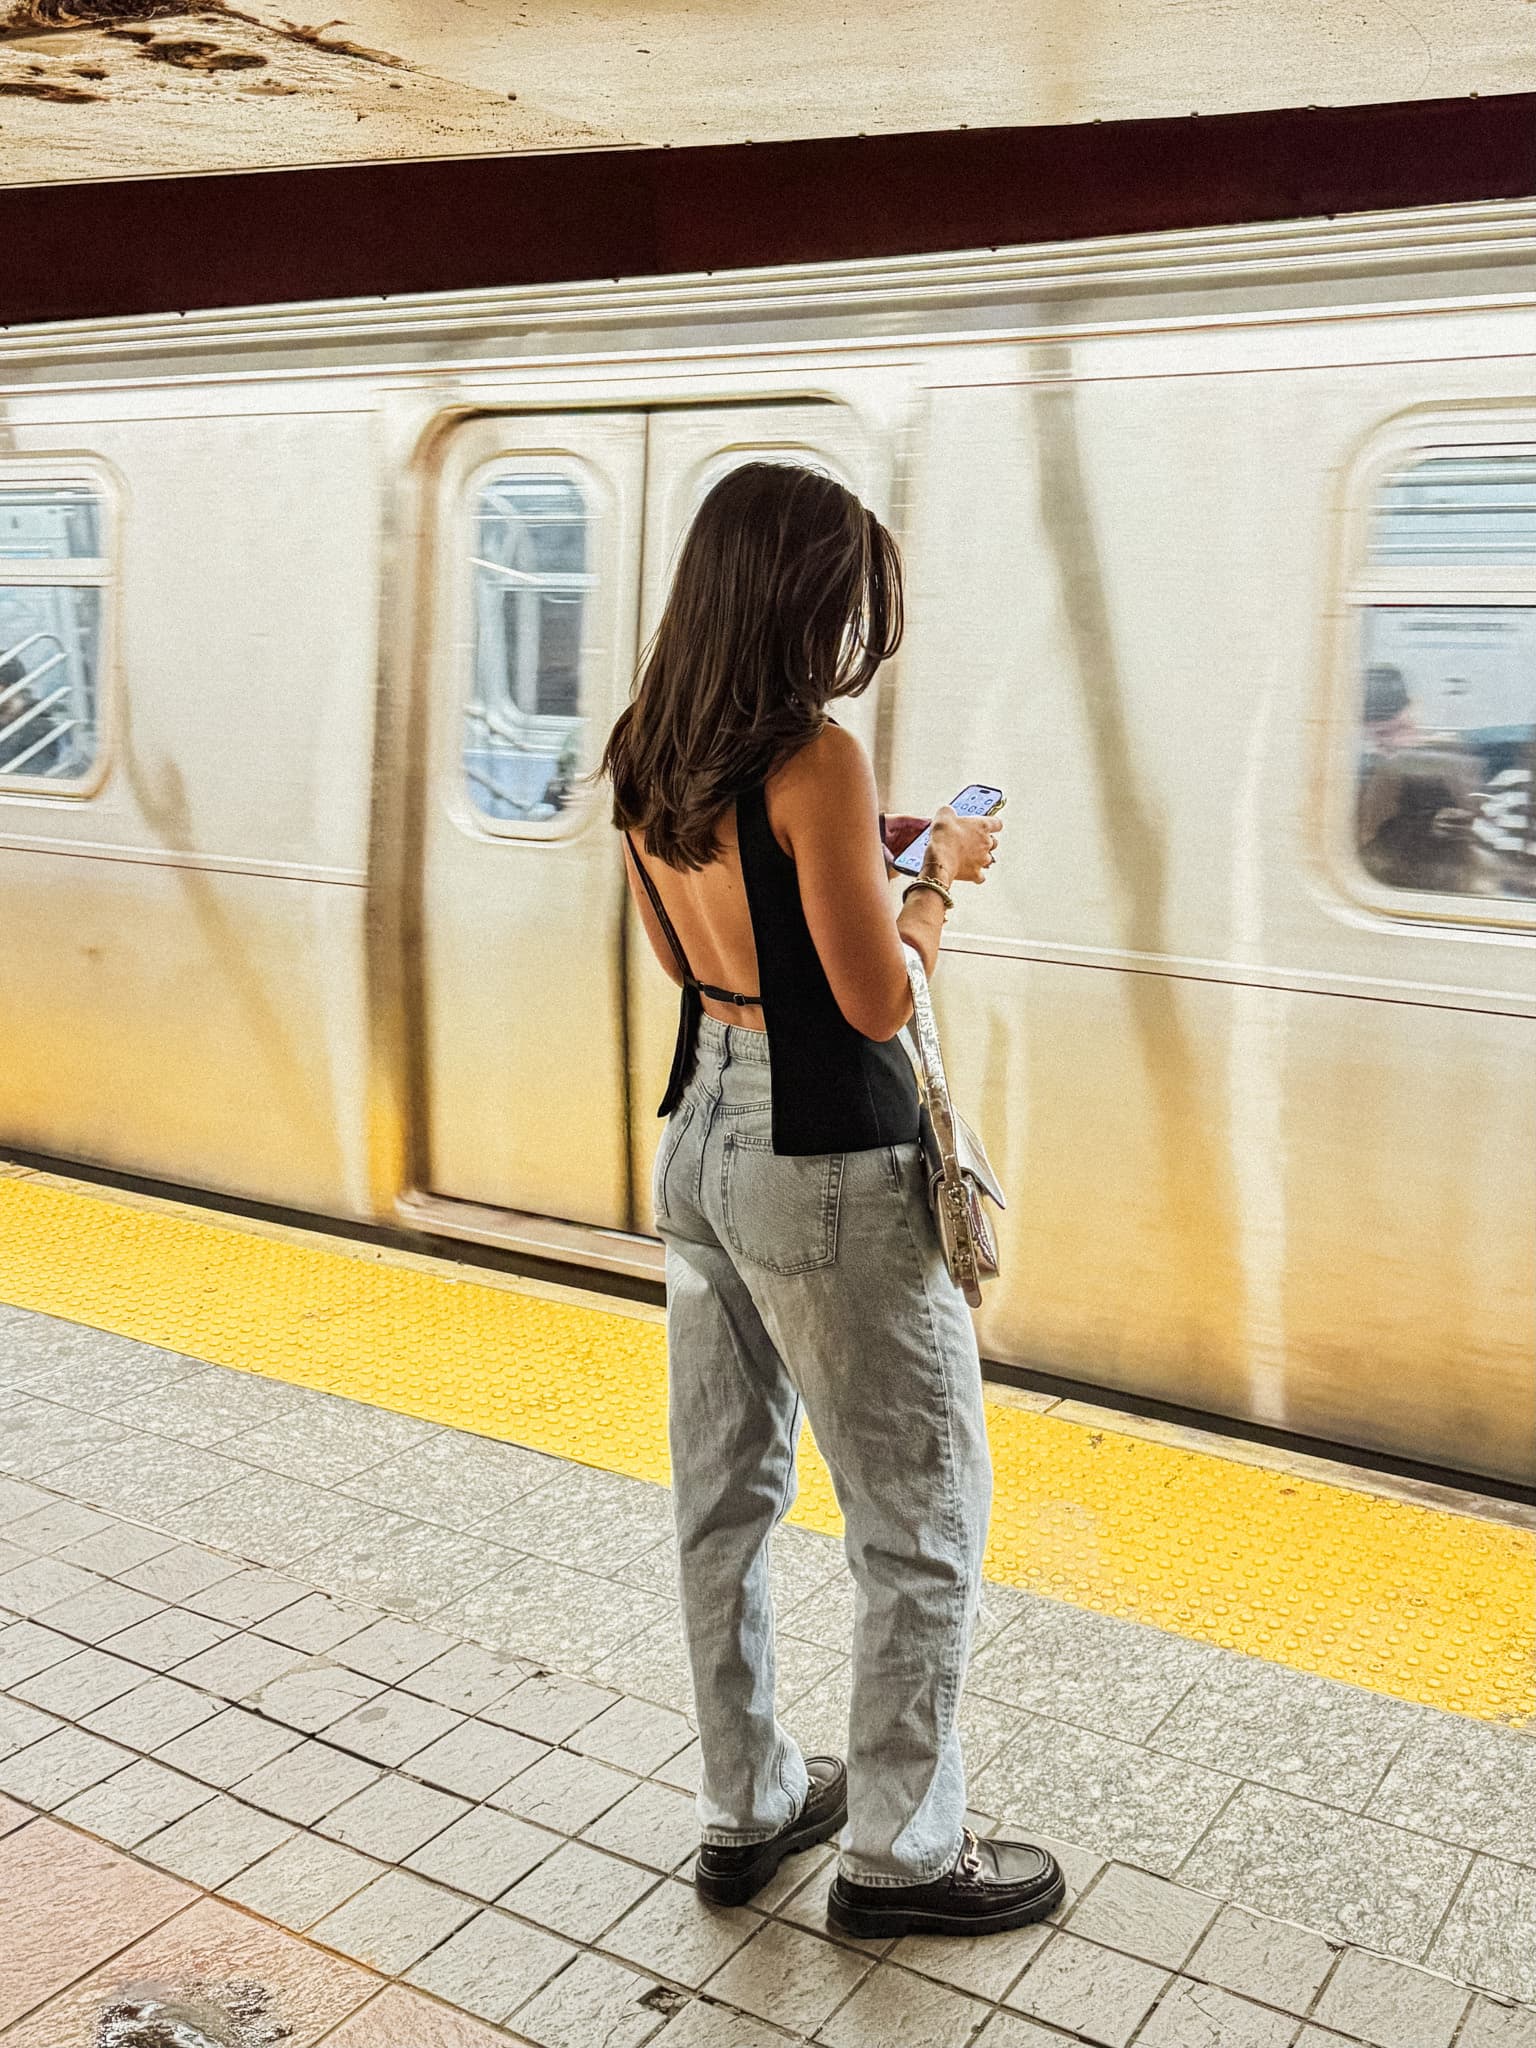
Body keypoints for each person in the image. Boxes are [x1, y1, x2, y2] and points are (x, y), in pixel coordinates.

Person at [596, 461, 1064, 1940]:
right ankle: (902, 1853)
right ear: (803, 599)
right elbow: (872, 1000)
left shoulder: (647, 745)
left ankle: (746, 1807)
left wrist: (879, 850)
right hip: (829, 1169)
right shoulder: (819, 757)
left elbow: (692, 956)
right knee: (919, 1509)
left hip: (699, 1139)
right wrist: (937, 887)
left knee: (722, 1496)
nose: (858, 630)